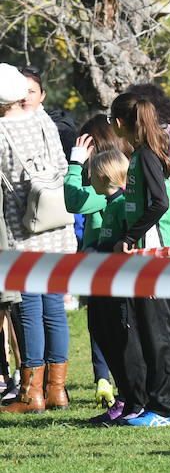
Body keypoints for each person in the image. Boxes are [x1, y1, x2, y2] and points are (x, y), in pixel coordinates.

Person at [0, 63, 78, 415]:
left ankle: (31, 395)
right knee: (54, 309)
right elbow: (62, 167)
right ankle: (57, 390)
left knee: (29, 310)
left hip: (23, 231)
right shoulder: (45, 121)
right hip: (58, 228)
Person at [107, 90, 170, 426]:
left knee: (159, 334)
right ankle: (156, 404)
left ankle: (168, 409)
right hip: (142, 257)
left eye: (112, 120)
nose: (111, 125)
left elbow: (159, 204)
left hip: (156, 257)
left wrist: (129, 235)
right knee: (148, 332)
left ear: (121, 122)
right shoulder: (138, 154)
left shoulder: (149, 156)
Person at [64, 117, 132, 409]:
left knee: (104, 324)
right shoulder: (120, 177)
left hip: (102, 261)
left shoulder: (103, 189)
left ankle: (110, 380)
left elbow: (74, 201)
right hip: (106, 260)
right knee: (103, 321)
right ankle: (110, 381)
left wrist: (74, 164)